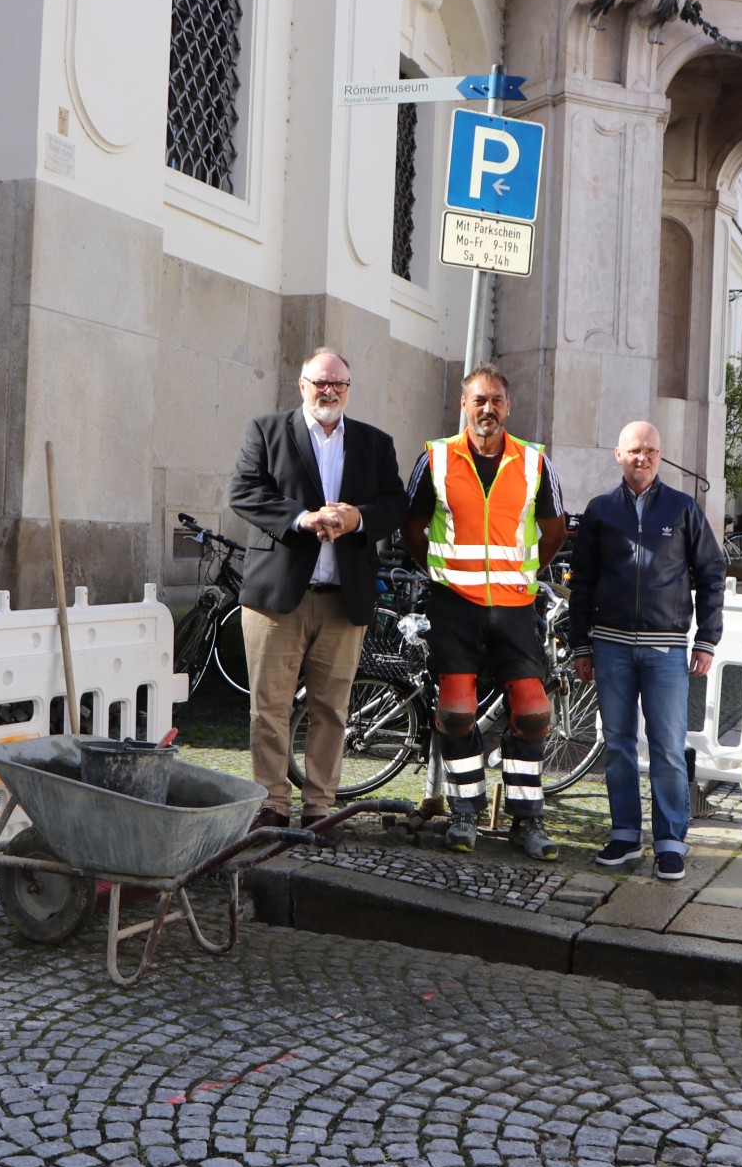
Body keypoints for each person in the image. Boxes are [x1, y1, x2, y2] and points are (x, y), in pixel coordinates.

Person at [229, 348, 406, 831]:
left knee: (332, 710)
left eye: (339, 384)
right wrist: (303, 519)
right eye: (320, 383)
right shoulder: (266, 431)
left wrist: (359, 518)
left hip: (341, 600)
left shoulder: (374, 442)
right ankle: (271, 803)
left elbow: (397, 503)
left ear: (348, 388)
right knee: (269, 708)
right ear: (302, 384)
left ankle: (319, 807)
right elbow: (244, 492)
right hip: (277, 599)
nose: (329, 391)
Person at [402, 363, 566, 859]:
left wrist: (524, 574)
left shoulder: (535, 462)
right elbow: (412, 527)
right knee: (454, 711)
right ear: (463, 405)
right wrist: (442, 573)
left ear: (508, 406)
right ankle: (465, 812)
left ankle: (526, 820)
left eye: (496, 400)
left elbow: (554, 528)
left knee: (535, 713)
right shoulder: (436, 458)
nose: (487, 409)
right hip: (455, 605)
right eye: (479, 400)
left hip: (516, 607)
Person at [568, 422, 725, 881]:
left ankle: (671, 841)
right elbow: (583, 585)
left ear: (660, 456)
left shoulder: (682, 508)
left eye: (652, 451)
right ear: (618, 454)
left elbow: (711, 573)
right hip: (611, 647)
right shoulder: (600, 511)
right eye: (635, 450)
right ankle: (623, 834)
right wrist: (581, 644)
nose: (644, 458)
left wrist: (707, 638)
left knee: (668, 750)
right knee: (616, 746)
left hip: (665, 650)